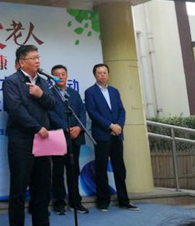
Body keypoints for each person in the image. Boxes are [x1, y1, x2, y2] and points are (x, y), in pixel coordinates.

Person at [3, 45, 57, 226]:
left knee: (42, 187)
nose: (37, 61)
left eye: (38, 57)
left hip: (43, 140)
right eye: (33, 58)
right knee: (19, 188)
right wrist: (36, 127)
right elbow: (16, 109)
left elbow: (52, 104)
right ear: (21, 62)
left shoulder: (42, 81)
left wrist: (41, 95)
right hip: (21, 141)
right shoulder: (11, 81)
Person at [84, 63, 138, 212]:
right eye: (99, 73)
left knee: (120, 168)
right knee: (101, 169)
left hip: (117, 135)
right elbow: (92, 113)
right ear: (95, 75)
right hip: (102, 136)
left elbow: (121, 111)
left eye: (105, 72)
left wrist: (119, 126)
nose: (102, 75)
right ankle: (103, 201)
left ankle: (124, 200)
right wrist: (110, 126)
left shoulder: (114, 91)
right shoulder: (90, 92)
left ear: (108, 74)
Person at [48, 64, 89, 215]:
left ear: (67, 76)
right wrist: (66, 127)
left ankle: (75, 201)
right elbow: (50, 114)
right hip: (58, 135)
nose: (60, 77)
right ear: (52, 78)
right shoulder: (49, 94)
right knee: (58, 171)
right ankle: (59, 202)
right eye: (57, 75)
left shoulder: (74, 93)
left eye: (63, 74)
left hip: (75, 137)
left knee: (73, 170)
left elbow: (82, 112)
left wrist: (79, 128)